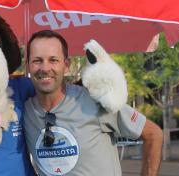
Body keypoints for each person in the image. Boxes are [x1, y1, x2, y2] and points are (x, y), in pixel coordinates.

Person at [23, 30, 163, 176]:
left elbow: (153, 135)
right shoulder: (25, 112)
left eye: (53, 60)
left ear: (66, 65)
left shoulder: (95, 101)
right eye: (37, 61)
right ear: (28, 66)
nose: (45, 68)